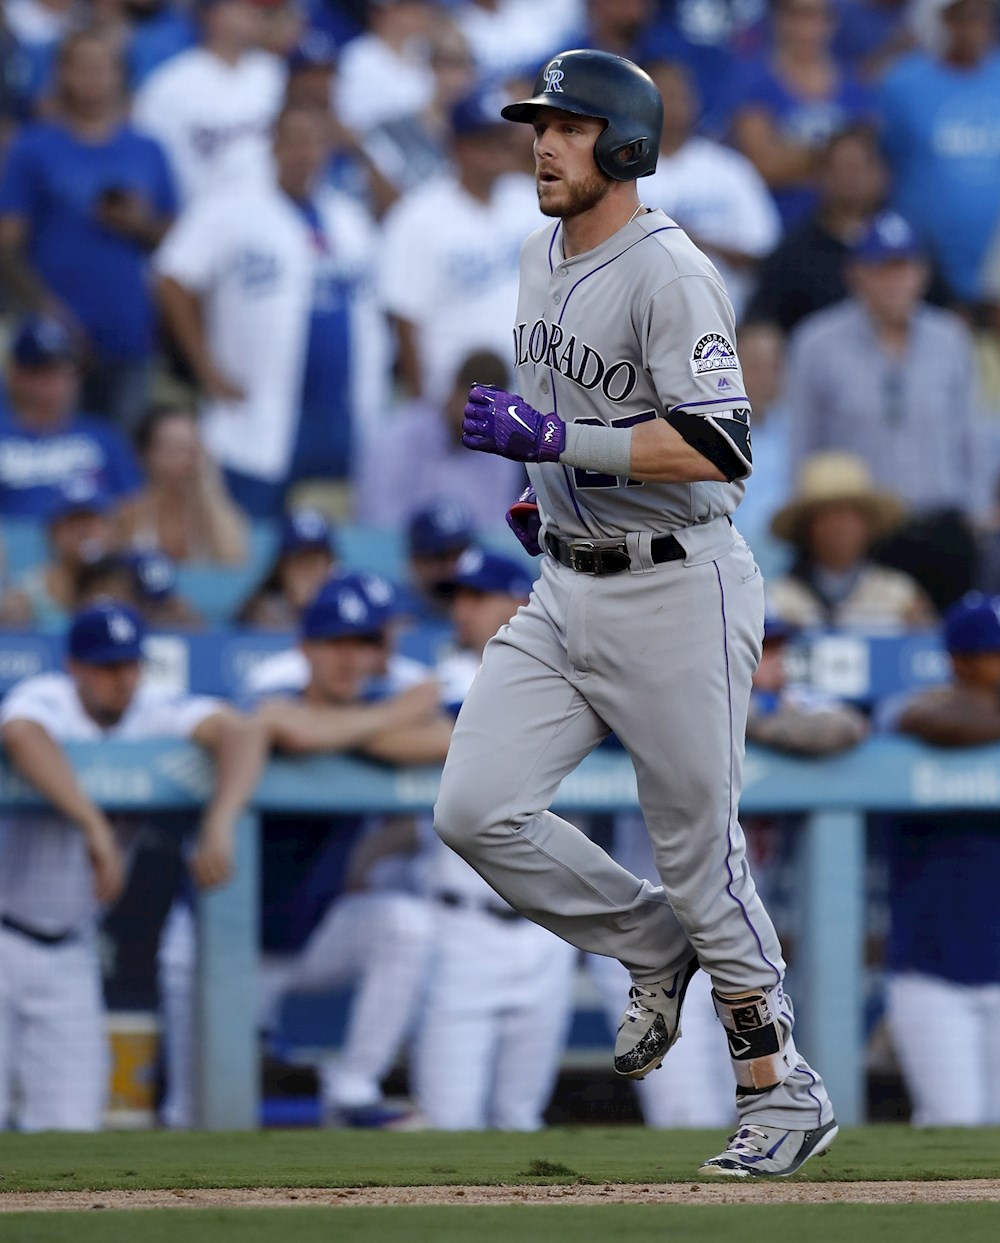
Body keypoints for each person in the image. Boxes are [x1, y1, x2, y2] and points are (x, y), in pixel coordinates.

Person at [434, 49, 837, 1177]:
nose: (542, 144)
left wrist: (560, 443)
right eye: (536, 126)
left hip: (678, 584)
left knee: (701, 855)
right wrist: (540, 488)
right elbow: (572, 413)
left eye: (565, 127)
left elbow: (720, 445)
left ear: (623, 144)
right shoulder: (536, 252)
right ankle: (650, 940)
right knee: (475, 807)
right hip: (567, 581)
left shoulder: (671, 270)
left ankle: (780, 1091)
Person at [0, 601, 267, 1131]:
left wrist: (221, 819)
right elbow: (20, 735)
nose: (120, 679)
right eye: (105, 666)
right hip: (4, 937)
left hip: (72, 948)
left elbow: (244, 732)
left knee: (73, 1132)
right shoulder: (47, 697)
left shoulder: (152, 708)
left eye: (129, 664)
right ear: (75, 666)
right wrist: (92, 825)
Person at [250, 573, 452, 1125]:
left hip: (312, 932)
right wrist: (391, 716)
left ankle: (353, 1087)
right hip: (227, 947)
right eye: (334, 642)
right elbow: (290, 730)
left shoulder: (372, 711)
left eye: (362, 643)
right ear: (305, 648)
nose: (348, 657)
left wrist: (353, 727)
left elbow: (444, 739)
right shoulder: (271, 701)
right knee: (197, 1113)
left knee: (404, 924)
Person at [155, 103, 388, 518]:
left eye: (316, 142)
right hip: (258, 414)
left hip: (342, 414)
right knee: (249, 542)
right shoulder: (231, 208)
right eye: (294, 141)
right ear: (274, 146)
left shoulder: (349, 219)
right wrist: (205, 369)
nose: (306, 152)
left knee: (339, 545)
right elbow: (172, 278)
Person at [414, 546, 576, 1130]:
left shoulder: (569, 666)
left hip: (546, 928)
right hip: (462, 922)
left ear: (519, 602)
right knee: (449, 1122)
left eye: (478, 596)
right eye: (457, 596)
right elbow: (401, 737)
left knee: (520, 1117)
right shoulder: (433, 680)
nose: (463, 609)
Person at [0, 29, 177, 429]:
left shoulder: (147, 148)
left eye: (102, 67)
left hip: (128, 328)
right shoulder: (32, 148)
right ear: (62, 73)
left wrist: (141, 224)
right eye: (81, 66)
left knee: (123, 457)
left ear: (119, 74)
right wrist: (44, 309)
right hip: (54, 338)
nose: (92, 78)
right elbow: (7, 243)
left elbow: (174, 237)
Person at [880, 592, 1000, 1124]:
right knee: (952, 1122)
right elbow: (930, 718)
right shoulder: (916, 712)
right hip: (931, 970)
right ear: (961, 659)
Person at [786, 211, 983, 518]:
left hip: (943, 518)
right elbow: (803, 441)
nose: (894, 281)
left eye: (903, 268)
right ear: (855, 273)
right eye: (881, 269)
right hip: (859, 526)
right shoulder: (816, 343)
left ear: (923, 273)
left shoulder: (951, 338)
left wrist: (977, 510)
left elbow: (971, 434)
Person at [378, 86, 541, 403]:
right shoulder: (416, 217)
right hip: (458, 404)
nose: (500, 149)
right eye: (487, 140)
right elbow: (405, 319)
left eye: (503, 139)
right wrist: (423, 408)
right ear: (459, 147)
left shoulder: (530, 201)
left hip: (530, 395)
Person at [877, 0, 1000, 304]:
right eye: (963, 16)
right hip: (923, 269)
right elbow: (883, 163)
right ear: (943, 20)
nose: (973, 27)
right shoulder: (902, 84)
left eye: (981, 15)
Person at [639, 59, 780, 321]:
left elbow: (763, 253)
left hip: (724, 319)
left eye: (680, 94)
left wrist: (687, 240)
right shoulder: (616, 169)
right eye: (663, 94)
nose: (674, 103)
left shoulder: (730, 168)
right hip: (637, 323)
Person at [729, 0, 874, 229]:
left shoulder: (852, 84)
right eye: (796, 15)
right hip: (779, 222)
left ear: (832, 22)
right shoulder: (755, 81)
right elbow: (761, 166)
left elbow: (866, 167)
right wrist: (834, 158)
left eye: (816, 16)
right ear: (778, 20)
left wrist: (793, 155)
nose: (806, 27)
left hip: (843, 229)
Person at [132, 0, 286, 205]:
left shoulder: (274, 73)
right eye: (242, 6)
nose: (254, 13)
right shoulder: (167, 86)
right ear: (212, 15)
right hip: (203, 221)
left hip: (274, 214)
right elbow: (146, 164)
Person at [742, 124, 889, 335]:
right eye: (842, 168)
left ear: (881, 173)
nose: (852, 178)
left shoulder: (904, 242)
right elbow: (761, 325)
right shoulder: (793, 253)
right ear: (821, 175)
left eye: (860, 167)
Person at [355, 350, 526, 529]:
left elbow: (496, 531)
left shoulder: (501, 456)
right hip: (407, 554)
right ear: (455, 389)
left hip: (467, 553)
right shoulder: (396, 439)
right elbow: (379, 525)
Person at [768, 452, 936, 630]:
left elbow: (921, 651)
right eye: (826, 516)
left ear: (868, 525)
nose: (839, 527)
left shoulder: (901, 598)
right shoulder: (779, 602)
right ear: (807, 528)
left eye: (849, 515)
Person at [0, 317, 141, 517]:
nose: (56, 381)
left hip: (95, 542)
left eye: (63, 369)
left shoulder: (104, 437)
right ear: (16, 375)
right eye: (42, 371)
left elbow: (132, 505)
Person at [114, 404, 247, 566]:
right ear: (146, 454)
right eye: (172, 448)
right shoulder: (127, 514)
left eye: (191, 448)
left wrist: (208, 483)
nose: (184, 458)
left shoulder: (218, 514)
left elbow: (234, 563)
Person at [0, 486, 116, 630]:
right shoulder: (27, 594)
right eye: (73, 524)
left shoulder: (130, 583)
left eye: (91, 523)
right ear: (53, 533)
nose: (84, 532)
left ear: (109, 529)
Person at [235, 507, 337, 630]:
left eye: (315, 563)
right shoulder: (260, 614)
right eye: (300, 563)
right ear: (281, 568)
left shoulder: (344, 610)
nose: (308, 573)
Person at [402, 498, 477, 623]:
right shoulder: (396, 620)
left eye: (460, 555)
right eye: (440, 556)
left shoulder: (492, 613)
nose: (452, 567)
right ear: (415, 561)